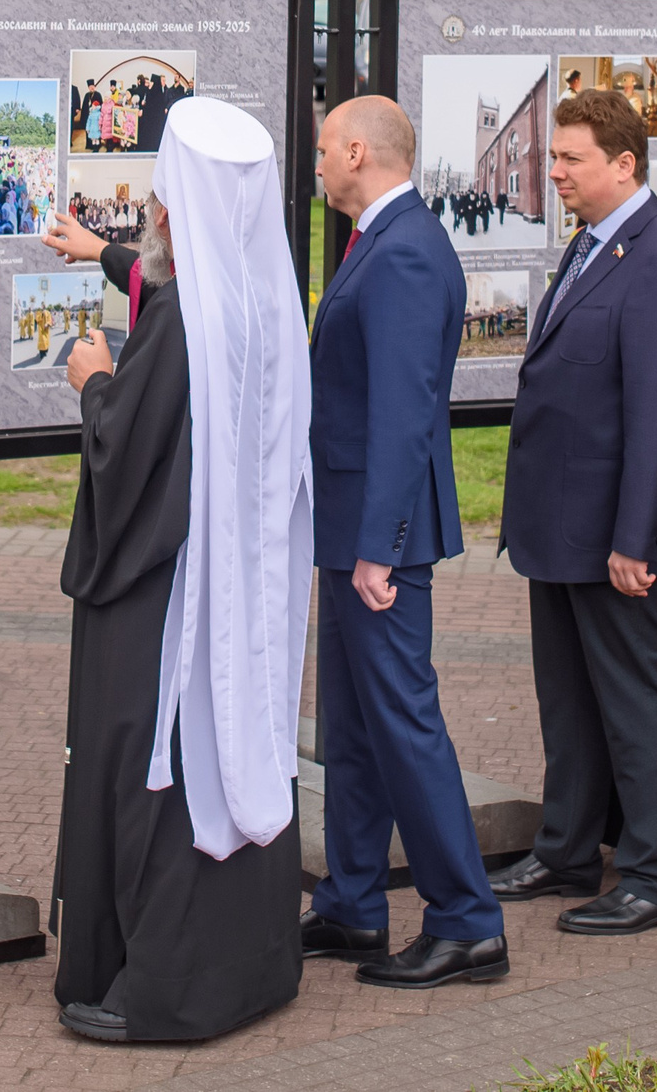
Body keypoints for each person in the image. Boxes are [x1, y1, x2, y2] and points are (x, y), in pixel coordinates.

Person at [46, 96, 310, 1043]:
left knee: (159, 766)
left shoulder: (183, 326)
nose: (154, 214)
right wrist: (104, 256)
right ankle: (252, 962)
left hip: (168, 595)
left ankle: (162, 985)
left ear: (175, 208)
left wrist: (92, 382)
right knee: (238, 750)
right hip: (247, 582)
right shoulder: (268, 303)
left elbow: (127, 452)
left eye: (160, 200)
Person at [490, 89, 657, 936]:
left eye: (570, 159)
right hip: (561, 528)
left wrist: (637, 537)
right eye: (551, 157)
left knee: (630, 699)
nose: (553, 173)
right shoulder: (597, 244)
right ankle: (566, 849)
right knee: (568, 701)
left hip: (613, 534)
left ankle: (656, 874)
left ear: (626, 164)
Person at [301, 96, 507, 989]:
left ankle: (467, 918)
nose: (315, 165)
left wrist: (379, 546)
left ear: (357, 150)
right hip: (351, 529)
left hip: (377, 537)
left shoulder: (408, 250)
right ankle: (352, 903)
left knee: (403, 722)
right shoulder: (381, 242)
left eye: (320, 150)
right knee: (350, 728)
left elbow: (401, 415)